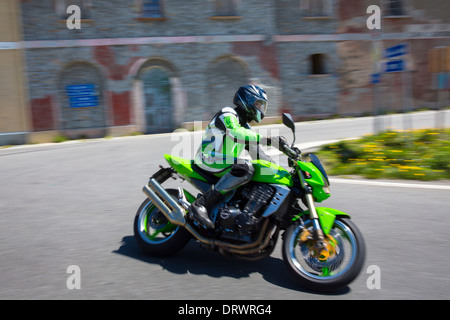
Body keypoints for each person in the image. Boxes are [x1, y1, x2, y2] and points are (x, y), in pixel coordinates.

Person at [190, 85, 287, 230]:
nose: (260, 109)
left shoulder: (245, 127)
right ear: (247, 100)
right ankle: (202, 204)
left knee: (259, 172)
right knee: (245, 166)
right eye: (258, 104)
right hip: (208, 158)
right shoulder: (227, 114)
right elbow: (235, 133)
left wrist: (278, 172)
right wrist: (269, 139)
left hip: (224, 164)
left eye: (262, 106)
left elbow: (258, 154)